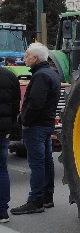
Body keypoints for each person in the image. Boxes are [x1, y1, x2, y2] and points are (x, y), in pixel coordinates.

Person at [10, 42, 60, 215]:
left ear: (36, 58)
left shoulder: (40, 76)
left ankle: (35, 200)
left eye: (27, 56)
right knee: (46, 161)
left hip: (36, 126)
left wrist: (25, 120)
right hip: (46, 124)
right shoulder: (51, 74)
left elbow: (36, 103)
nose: (24, 59)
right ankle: (47, 197)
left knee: (37, 163)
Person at [0, 62, 21, 222]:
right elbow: (16, 103)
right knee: (2, 169)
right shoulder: (10, 75)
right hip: (3, 129)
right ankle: (2, 211)